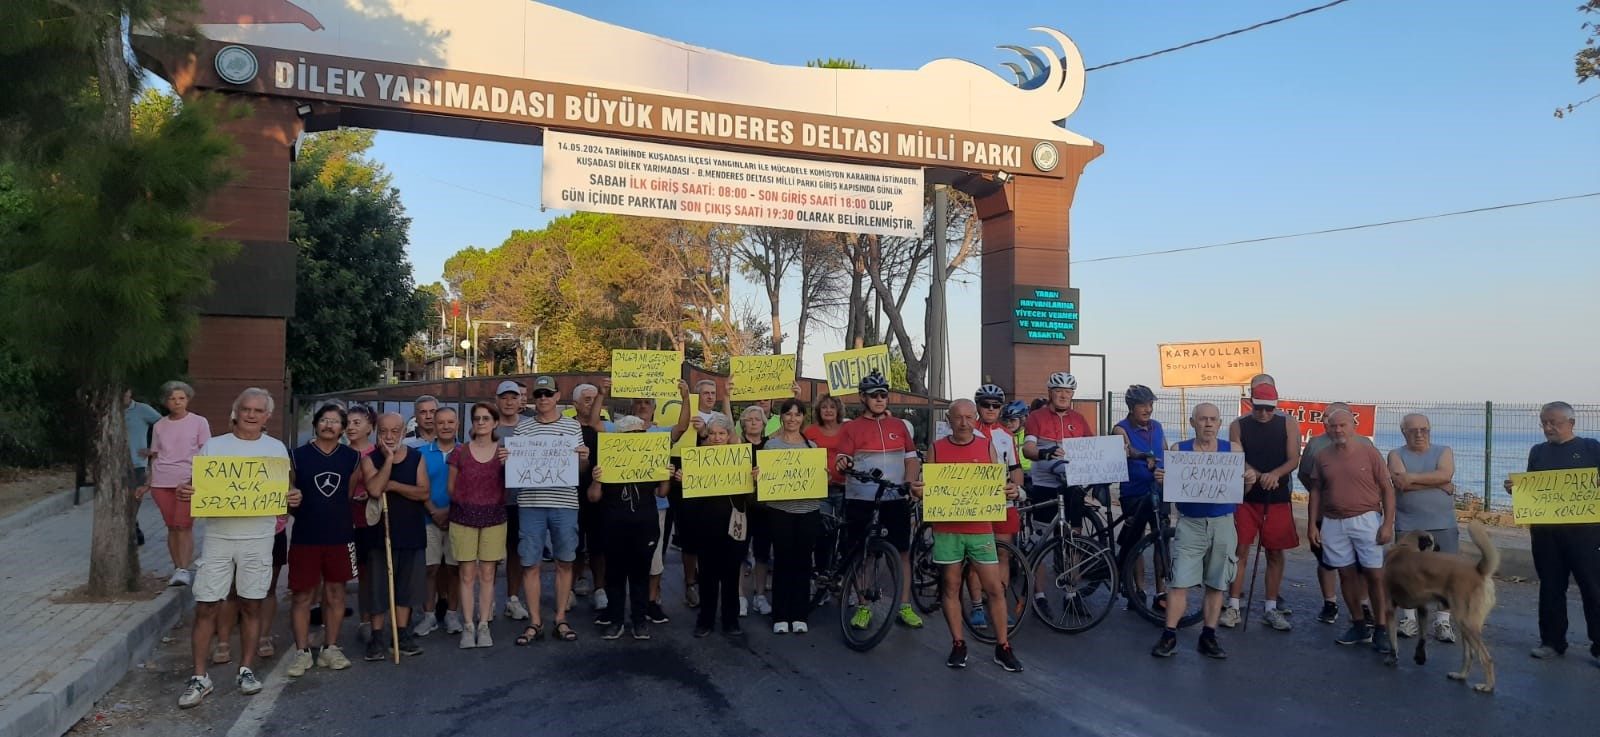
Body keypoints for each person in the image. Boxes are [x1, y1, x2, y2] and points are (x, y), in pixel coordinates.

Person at [175, 388, 300, 709]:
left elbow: (285, 491)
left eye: (259, 411)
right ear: (236, 410)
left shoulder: (276, 450)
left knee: (252, 604)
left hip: (259, 538)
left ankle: (246, 670)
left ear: (267, 416)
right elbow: (196, 484)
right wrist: (186, 490)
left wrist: (292, 496)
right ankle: (200, 677)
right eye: (246, 409)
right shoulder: (214, 446)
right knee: (206, 605)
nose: (251, 415)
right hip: (218, 536)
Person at [922, 399, 1025, 671]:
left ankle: (1003, 646)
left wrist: (1012, 490)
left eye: (969, 417)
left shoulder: (986, 446)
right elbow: (927, 486)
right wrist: (919, 491)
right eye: (959, 418)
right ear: (949, 419)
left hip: (980, 528)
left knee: (994, 588)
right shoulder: (936, 448)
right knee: (951, 587)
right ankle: (958, 643)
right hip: (947, 529)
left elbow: (999, 484)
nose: (964, 423)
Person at [1151, 403, 1254, 659]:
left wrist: (1249, 481)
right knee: (1179, 582)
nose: (1208, 424)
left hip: (1222, 523)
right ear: (1192, 422)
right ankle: (1169, 634)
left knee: (1217, 582)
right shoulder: (1179, 450)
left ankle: (1208, 635)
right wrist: (1162, 480)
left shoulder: (1233, 450)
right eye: (1202, 419)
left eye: (1213, 420)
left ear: (1220, 424)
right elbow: (1171, 491)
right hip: (1190, 523)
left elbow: (1240, 493)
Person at [589, 382, 690, 640]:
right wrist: (597, 479)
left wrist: (667, 476)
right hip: (613, 525)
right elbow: (593, 496)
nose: (635, 438)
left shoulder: (651, 458)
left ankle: (639, 620)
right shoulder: (609, 460)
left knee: (640, 574)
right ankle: (615, 619)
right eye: (629, 434)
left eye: (638, 434)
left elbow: (662, 493)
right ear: (619, 437)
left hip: (645, 524)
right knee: (614, 574)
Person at [1505, 402, 1600, 663]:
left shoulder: (1591, 448)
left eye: (1553, 423)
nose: (1548, 428)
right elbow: (1531, 489)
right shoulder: (1537, 452)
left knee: (1593, 588)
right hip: (1546, 535)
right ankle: (1552, 642)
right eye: (1544, 422)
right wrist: (1514, 488)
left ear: (1571, 423)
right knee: (1550, 588)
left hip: (1587, 534)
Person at [285, 404, 373, 677]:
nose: (328, 425)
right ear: (316, 425)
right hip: (305, 536)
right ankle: (301, 653)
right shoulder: (297, 457)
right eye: (324, 420)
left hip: (339, 535)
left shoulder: (352, 458)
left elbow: (345, 495)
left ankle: (330, 648)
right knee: (302, 595)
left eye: (335, 421)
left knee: (336, 594)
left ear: (343, 428)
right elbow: (289, 495)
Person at [836, 369, 924, 630]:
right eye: (873, 395)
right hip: (861, 499)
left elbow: (911, 458)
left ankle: (904, 606)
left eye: (883, 395)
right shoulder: (851, 427)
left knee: (902, 554)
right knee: (864, 554)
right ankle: (863, 606)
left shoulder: (899, 426)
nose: (879, 399)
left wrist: (908, 483)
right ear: (863, 398)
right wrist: (843, 462)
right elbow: (843, 458)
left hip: (894, 497)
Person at [1307, 408, 1395, 652]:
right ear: (1327, 428)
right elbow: (1315, 491)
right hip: (1333, 522)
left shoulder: (1369, 452)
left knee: (1374, 575)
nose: (1338, 430)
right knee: (1345, 574)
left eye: (1343, 425)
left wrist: (1387, 523)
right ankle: (1358, 624)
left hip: (1366, 519)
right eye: (1333, 426)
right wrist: (1313, 524)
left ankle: (1380, 629)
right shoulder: (1322, 455)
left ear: (1352, 426)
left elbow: (1387, 489)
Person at [511, 375, 590, 645]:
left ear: (558, 396)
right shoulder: (522, 430)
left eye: (548, 394)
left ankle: (560, 618)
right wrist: (507, 461)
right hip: (531, 504)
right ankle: (535, 621)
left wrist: (583, 460)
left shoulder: (572, 427)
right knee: (529, 562)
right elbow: (515, 469)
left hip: (565, 502)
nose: (543, 399)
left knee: (565, 560)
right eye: (538, 395)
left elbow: (579, 470)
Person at [1222, 382, 1301, 630]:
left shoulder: (1288, 423)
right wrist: (1255, 474)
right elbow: (1238, 456)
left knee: (1275, 552)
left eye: (1269, 409)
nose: (1264, 414)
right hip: (1245, 496)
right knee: (1240, 550)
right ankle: (1233, 606)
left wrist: (1275, 474)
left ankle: (1271, 606)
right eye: (1259, 408)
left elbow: (1293, 458)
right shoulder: (1238, 425)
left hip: (1276, 498)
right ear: (1251, 403)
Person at [678, 413, 758, 637]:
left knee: (732, 573)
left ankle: (730, 621)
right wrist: (685, 480)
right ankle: (705, 620)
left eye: (721, 433)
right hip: (706, 524)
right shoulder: (697, 458)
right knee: (708, 574)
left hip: (734, 523)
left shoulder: (742, 457)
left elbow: (751, 498)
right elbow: (690, 498)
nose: (716, 437)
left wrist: (755, 480)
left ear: (729, 435)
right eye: (712, 433)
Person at [1021, 371, 1094, 616]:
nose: (1064, 395)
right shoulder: (1036, 417)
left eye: (1068, 392)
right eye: (1059, 391)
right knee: (1042, 540)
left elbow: (1092, 448)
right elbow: (1029, 448)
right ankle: (1038, 594)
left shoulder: (1079, 419)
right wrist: (1045, 452)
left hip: (1073, 486)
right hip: (1046, 486)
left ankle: (1071, 595)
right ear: (1050, 393)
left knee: (1072, 541)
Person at [1296, 401, 1374, 626]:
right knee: (1327, 561)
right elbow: (1305, 475)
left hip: (1358, 515)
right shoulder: (1315, 445)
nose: (1335, 426)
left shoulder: (1365, 444)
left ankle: (1363, 605)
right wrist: (1323, 495)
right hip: (1324, 514)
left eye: (1340, 421)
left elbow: (1377, 479)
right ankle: (1330, 603)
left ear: (1351, 422)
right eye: (1328, 419)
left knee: (1360, 564)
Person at [1387, 412, 1459, 642]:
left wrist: (1412, 479)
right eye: (1413, 430)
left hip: (1443, 524)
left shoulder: (1444, 451)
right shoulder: (1395, 454)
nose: (1419, 434)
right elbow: (1400, 483)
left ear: (1429, 430)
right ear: (1403, 433)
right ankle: (1408, 619)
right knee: (1407, 573)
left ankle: (1443, 622)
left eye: (1423, 430)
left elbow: (1446, 473)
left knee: (1447, 574)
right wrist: (1438, 484)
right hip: (1409, 524)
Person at [365, 412, 430, 661]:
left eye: (395, 431)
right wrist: (389, 462)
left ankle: (401, 633)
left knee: (407, 587)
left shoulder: (416, 458)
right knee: (379, 587)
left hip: (410, 531)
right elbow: (373, 488)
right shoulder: (370, 459)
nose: (389, 436)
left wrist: (393, 486)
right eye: (384, 431)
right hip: (380, 534)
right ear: (377, 433)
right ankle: (378, 636)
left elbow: (423, 492)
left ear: (404, 432)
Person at [760, 398, 825, 634]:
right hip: (780, 511)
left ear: (803, 418)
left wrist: (823, 477)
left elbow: (820, 479)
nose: (793, 418)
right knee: (782, 561)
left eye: (797, 414)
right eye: (788, 414)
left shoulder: (813, 448)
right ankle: (780, 614)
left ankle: (799, 614)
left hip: (808, 511)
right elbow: (764, 479)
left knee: (803, 562)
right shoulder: (771, 447)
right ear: (782, 417)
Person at [450, 402, 509, 648]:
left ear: (496, 423)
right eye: (477, 418)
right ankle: (467, 625)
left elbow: (513, 483)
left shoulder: (505, 452)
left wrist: (509, 465)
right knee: (466, 574)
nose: (481, 422)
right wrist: (466, 504)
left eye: (486, 418)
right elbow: (450, 487)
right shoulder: (460, 452)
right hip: (464, 518)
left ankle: (483, 624)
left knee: (487, 573)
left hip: (494, 518)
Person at [139, 381, 210, 587]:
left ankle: (184, 569)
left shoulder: (199, 422)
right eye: (172, 399)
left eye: (181, 398)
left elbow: (206, 454)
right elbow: (155, 455)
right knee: (171, 526)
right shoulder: (159, 425)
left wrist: (195, 480)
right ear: (165, 402)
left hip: (188, 481)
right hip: (162, 481)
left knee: (183, 525)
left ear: (188, 399)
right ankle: (177, 568)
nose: (177, 402)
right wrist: (148, 483)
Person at [968, 384, 1022, 630]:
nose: (990, 409)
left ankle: (998, 602)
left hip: (1003, 501)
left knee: (1003, 554)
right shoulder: (967, 430)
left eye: (995, 405)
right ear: (978, 406)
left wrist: (1017, 488)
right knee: (978, 554)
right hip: (976, 501)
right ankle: (977, 605)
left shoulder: (1006, 435)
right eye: (985, 405)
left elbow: (1015, 468)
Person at [1112, 384, 1166, 610]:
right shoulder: (1120, 428)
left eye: (1150, 404)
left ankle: (1162, 592)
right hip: (1133, 491)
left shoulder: (1158, 427)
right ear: (1131, 407)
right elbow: (1127, 450)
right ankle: (1139, 590)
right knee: (1137, 541)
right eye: (1143, 405)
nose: (1148, 409)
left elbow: (1166, 452)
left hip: (1159, 489)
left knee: (1161, 537)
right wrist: (1144, 455)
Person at [416, 406, 463, 638]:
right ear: (433, 425)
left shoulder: (466, 452)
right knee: (430, 569)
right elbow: (419, 487)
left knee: (455, 569)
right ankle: (429, 616)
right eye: (441, 422)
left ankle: (453, 615)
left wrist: (449, 511)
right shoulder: (422, 453)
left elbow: (469, 488)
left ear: (457, 424)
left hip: (458, 519)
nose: (445, 426)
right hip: (428, 518)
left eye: (450, 422)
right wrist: (434, 511)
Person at [492, 381, 530, 621]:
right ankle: (490, 600)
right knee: (491, 555)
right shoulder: (488, 426)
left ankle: (513, 599)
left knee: (516, 552)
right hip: (494, 500)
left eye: (512, 397)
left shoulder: (530, 427)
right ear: (497, 400)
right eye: (504, 397)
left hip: (522, 499)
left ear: (520, 401)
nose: (508, 402)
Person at [344, 405, 382, 644]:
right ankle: (359, 620)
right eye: (348, 423)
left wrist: (371, 494)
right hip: (346, 519)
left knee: (371, 574)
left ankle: (372, 620)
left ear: (370, 426)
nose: (351, 427)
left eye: (357, 423)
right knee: (347, 575)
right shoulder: (340, 453)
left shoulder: (377, 453)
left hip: (372, 520)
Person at [570, 383, 608, 614]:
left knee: (598, 543)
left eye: (595, 398)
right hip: (571, 493)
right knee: (573, 542)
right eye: (586, 399)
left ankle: (600, 589)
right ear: (574, 404)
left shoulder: (606, 426)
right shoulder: (566, 428)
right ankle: (575, 583)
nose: (592, 403)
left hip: (601, 493)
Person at [737, 403, 774, 617]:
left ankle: (760, 596)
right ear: (743, 423)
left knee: (762, 554)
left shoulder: (771, 446)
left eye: (757, 419)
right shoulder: (736, 444)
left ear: (763, 424)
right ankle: (740, 596)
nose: (753, 422)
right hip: (742, 507)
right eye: (749, 419)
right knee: (739, 553)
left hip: (765, 507)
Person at [124, 389, 161, 546]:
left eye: (124, 393)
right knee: (120, 499)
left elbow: (164, 426)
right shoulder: (108, 409)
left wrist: (153, 449)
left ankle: (132, 525)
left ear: (130, 392)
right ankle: (130, 527)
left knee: (134, 497)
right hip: (114, 464)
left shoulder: (142, 409)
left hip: (136, 462)